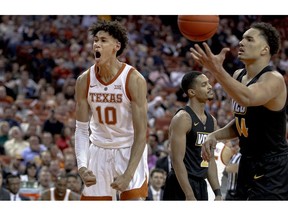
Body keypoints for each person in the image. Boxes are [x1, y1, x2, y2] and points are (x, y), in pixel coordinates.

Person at [190, 22, 288, 200]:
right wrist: (214, 135)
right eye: (242, 38)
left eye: (249, 39)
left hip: (271, 166)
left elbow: (248, 98)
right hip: (246, 161)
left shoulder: (274, 79)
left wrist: (216, 70)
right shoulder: (238, 76)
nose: (241, 42)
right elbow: (241, 123)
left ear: (264, 50)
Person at [74, 20, 149, 201]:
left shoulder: (133, 79)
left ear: (117, 46)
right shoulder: (84, 80)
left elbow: (141, 134)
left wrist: (129, 174)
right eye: (95, 40)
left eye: (103, 40)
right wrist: (82, 166)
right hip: (99, 149)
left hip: (128, 149)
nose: (96, 44)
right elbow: (82, 129)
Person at [163, 71, 222, 201]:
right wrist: (189, 194)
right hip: (180, 183)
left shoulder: (212, 121)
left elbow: (210, 160)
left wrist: (217, 192)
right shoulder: (183, 118)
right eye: (204, 84)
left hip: (200, 183)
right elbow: (177, 160)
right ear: (192, 92)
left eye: (209, 83)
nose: (210, 86)